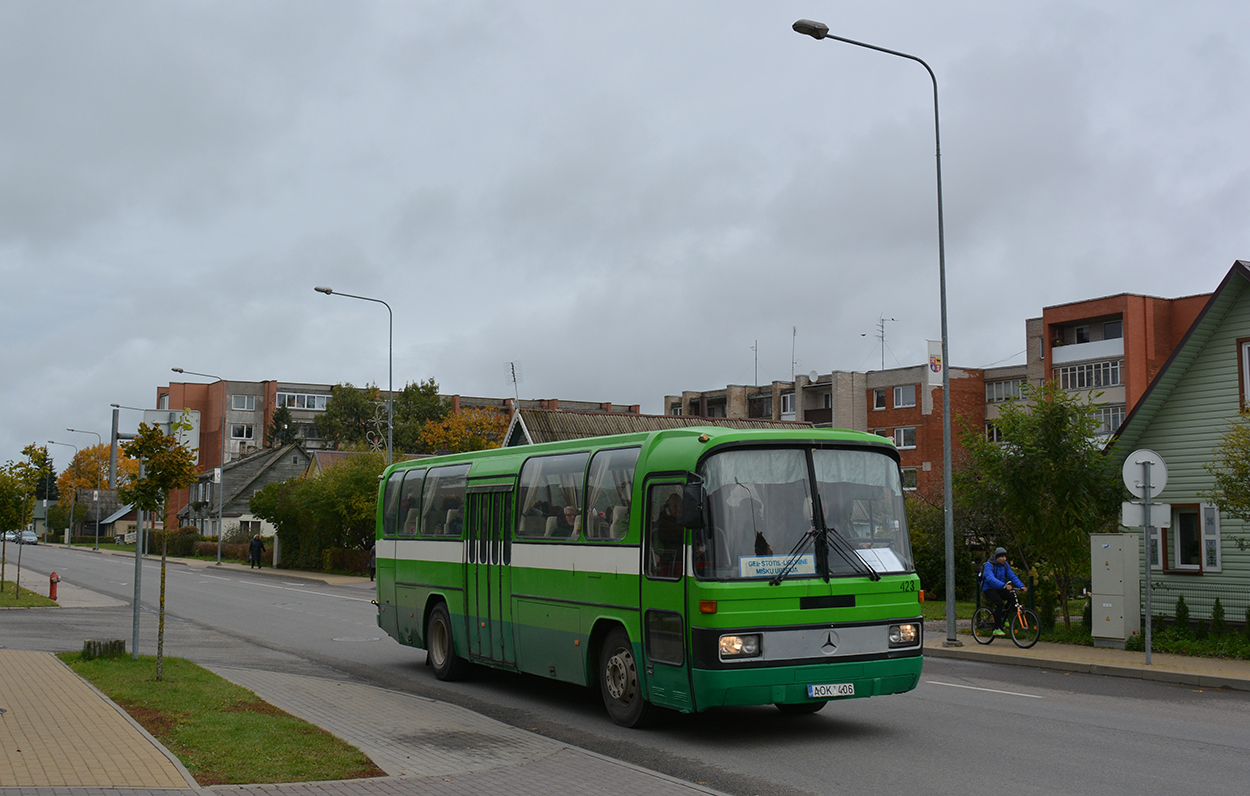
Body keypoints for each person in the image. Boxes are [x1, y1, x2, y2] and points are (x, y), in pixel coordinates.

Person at [981, 546, 1026, 636]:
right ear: (997, 557)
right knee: (999, 603)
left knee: (1012, 598)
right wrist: (1004, 585)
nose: (1004, 559)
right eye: (1002, 557)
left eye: (1005, 557)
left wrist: (1021, 586)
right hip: (989, 588)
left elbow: (1012, 576)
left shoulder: (1005, 565)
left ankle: (1002, 617)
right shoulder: (989, 565)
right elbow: (990, 578)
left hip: (1000, 587)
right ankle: (997, 628)